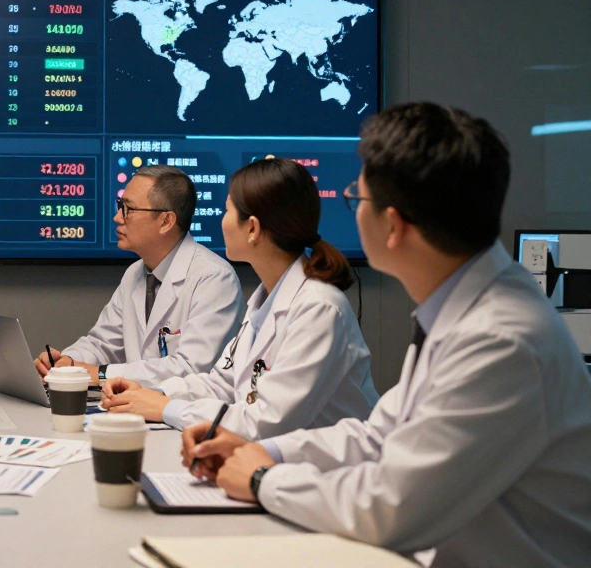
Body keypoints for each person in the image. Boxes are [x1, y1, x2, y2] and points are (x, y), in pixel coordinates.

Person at [184, 103, 591, 566]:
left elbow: (393, 508)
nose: (353, 210)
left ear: (393, 225)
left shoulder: (500, 339)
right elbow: (379, 436)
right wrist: (262, 450)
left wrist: (261, 479)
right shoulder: (464, 308)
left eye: (358, 199)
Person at [100, 157, 378, 440]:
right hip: (281, 464)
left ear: (253, 228)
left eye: (227, 211)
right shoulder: (264, 301)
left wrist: (167, 408)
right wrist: (153, 393)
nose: (222, 221)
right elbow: (222, 382)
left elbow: (267, 421)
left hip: (331, 473)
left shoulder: (318, 309)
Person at [35, 165, 243, 385]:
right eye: (120, 207)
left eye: (128, 209)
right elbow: (102, 343)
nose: (117, 217)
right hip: (141, 410)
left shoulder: (214, 278)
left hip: (189, 414)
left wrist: (99, 374)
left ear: (166, 222)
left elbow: (191, 368)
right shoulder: (135, 273)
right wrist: (67, 362)